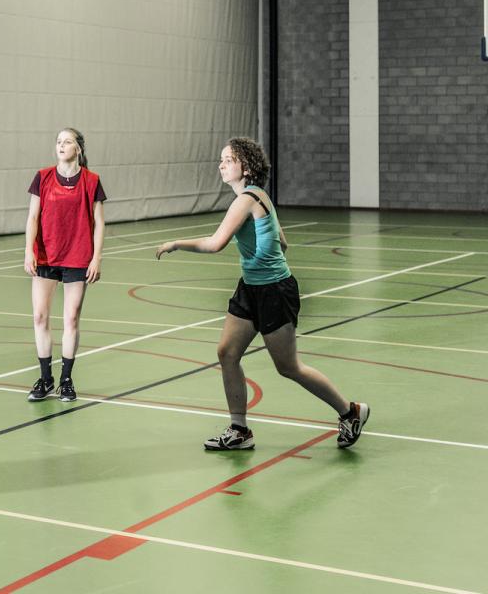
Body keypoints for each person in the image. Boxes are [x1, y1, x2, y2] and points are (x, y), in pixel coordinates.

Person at [155, 137, 370, 451]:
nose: (221, 165)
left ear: (245, 165)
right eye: (221, 159)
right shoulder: (257, 198)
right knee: (227, 353)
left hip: (273, 292)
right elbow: (283, 242)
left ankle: (350, 412)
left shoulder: (246, 199)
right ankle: (239, 430)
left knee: (288, 367)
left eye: (227, 160)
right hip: (251, 289)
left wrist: (175, 244)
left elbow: (215, 244)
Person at [22, 128, 105, 403]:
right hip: (46, 255)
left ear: (78, 148)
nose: (61, 145)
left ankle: (66, 380)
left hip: (77, 256)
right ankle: (45, 379)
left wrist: (96, 257)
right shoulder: (43, 177)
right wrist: (28, 251)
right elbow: (33, 217)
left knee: (71, 319)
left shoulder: (91, 181)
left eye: (67, 141)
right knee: (40, 317)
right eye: (58, 141)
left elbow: (99, 222)